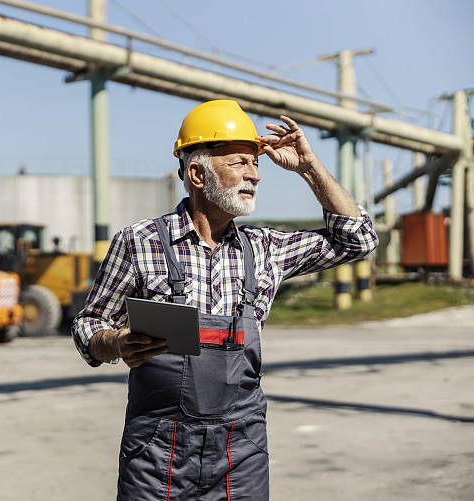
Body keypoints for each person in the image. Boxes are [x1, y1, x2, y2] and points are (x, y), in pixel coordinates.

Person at [72, 100, 379, 500]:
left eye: (257, 165)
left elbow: (358, 238)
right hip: (157, 451)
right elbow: (88, 323)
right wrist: (114, 343)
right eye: (240, 163)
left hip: (241, 451)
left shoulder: (264, 247)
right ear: (197, 173)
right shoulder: (139, 242)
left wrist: (308, 167)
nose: (255, 175)